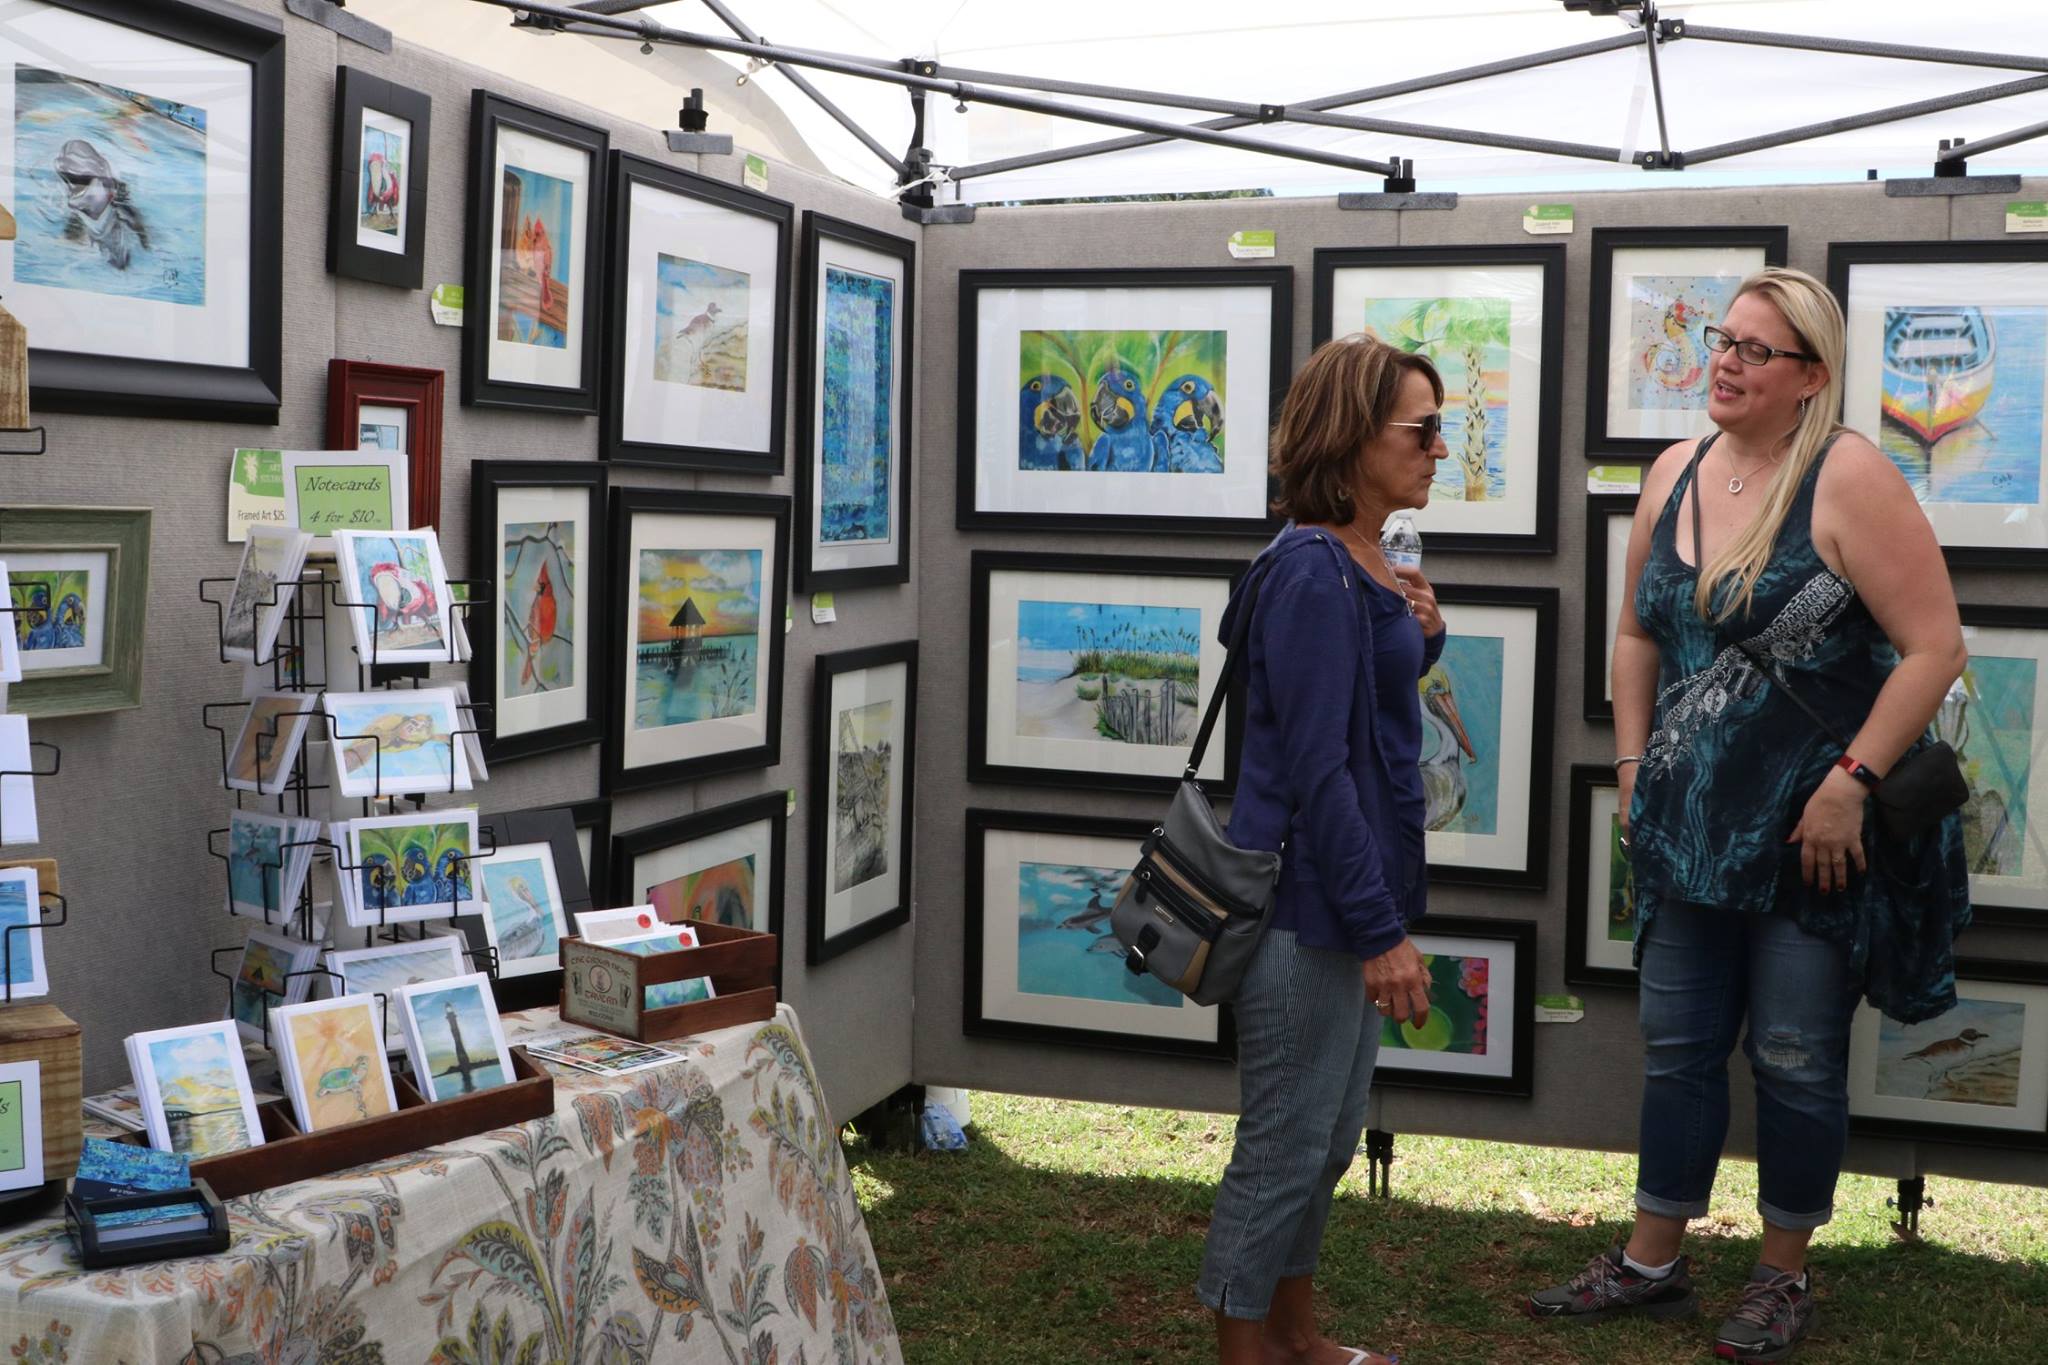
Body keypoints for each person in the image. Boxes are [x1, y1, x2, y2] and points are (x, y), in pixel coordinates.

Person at [1526, 267, 1971, 1362]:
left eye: (1753, 350)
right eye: (1722, 340)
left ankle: (1781, 1274)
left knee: (1793, 1054)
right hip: (1686, 832)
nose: (1723, 361)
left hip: (1810, 840)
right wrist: (1632, 762)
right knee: (1677, 1047)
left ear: (1810, 375)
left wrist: (1848, 783)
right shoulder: (1673, 470)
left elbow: (1934, 647)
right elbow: (1637, 633)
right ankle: (1651, 1262)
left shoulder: (1847, 475)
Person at [1198, 335, 1449, 1365]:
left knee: (1328, 1140)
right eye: (1422, 430)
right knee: (1283, 1147)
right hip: (1305, 909)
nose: (1439, 449)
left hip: (1336, 900)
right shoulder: (1311, 569)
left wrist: (1422, 632)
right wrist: (1380, 931)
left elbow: (1364, 711)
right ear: (1352, 438)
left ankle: (1296, 1339)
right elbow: (1318, 769)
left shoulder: (1360, 557)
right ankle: (1245, 1350)